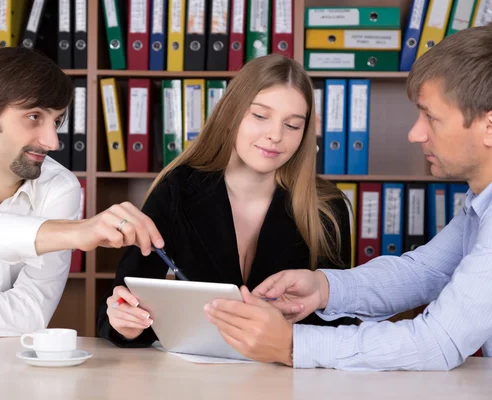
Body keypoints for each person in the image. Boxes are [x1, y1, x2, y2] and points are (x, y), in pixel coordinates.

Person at [206, 24, 492, 370]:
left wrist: (291, 345)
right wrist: (324, 288)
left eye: (430, 117)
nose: (415, 133)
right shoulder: (480, 205)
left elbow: (436, 343)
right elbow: (425, 271)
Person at [0, 47, 163, 336]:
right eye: (34, 117)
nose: (52, 141)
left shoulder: (59, 186)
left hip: (1, 363)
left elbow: (30, 312)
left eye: (56, 121)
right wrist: (75, 232)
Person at [97, 53, 354, 357]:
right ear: (232, 112)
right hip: (192, 378)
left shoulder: (327, 207)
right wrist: (124, 323)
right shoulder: (177, 189)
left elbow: (338, 320)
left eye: (293, 125)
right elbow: (119, 305)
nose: (275, 135)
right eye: (260, 116)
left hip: (282, 379)